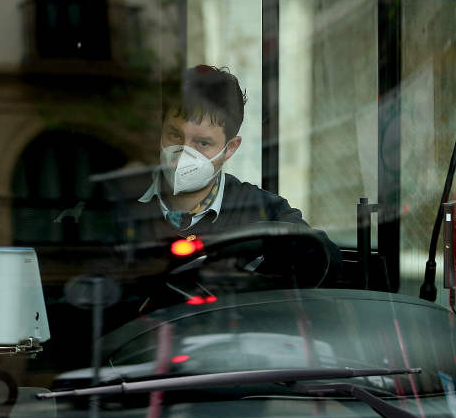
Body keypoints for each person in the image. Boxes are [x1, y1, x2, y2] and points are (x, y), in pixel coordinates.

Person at [118, 65, 341, 283]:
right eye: (174, 136)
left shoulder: (262, 209)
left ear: (230, 148)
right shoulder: (117, 202)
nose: (181, 155)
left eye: (202, 143)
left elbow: (323, 258)